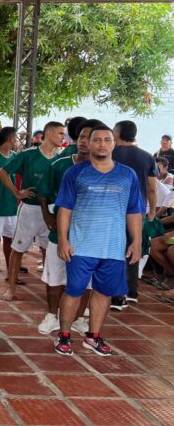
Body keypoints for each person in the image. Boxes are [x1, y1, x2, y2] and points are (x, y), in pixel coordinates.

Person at [54, 125, 144, 356]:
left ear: (114, 143)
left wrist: (136, 241)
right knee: (74, 290)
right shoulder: (75, 173)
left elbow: (134, 211)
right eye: (97, 140)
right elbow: (64, 208)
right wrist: (63, 240)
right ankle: (64, 335)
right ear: (89, 144)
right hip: (81, 245)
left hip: (113, 247)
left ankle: (92, 337)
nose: (102, 144)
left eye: (107, 140)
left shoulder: (127, 175)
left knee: (104, 292)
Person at [35, 119, 102, 336]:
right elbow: (43, 193)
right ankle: (52, 315)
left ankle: (78, 318)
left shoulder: (105, 170)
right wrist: (46, 215)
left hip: (89, 236)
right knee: (54, 276)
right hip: (60, 233)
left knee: (86, 281)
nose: (84, 141)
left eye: (89, 137)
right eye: (81, 136)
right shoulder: (59, 165)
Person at [0, 121, 66, 301]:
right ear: (49, 133)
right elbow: (3, 172)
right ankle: (10, 289)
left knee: (48, 250)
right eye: (60, 133)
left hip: (51, 210)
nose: (63, 137)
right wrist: (16, 193)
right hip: (29, 210)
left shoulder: (61, 159)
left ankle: (50, 291)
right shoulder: (29, 155)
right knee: (18, 248)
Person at [110, 120, 157, 309]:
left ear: (118, 133)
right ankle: (132, 292)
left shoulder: (110, 154)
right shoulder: (147, 157)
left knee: (114, 251)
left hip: (113, 209)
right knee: (133, 249)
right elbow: (152, 188)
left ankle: (117, 294)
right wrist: (151, 210)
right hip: (138, 210)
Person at [0, 127, 18, 275]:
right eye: (15, 138)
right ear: (10, 139)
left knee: (10, 239)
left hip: (12, 206)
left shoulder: (15, 156)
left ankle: (11, 270)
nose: (16, 141)